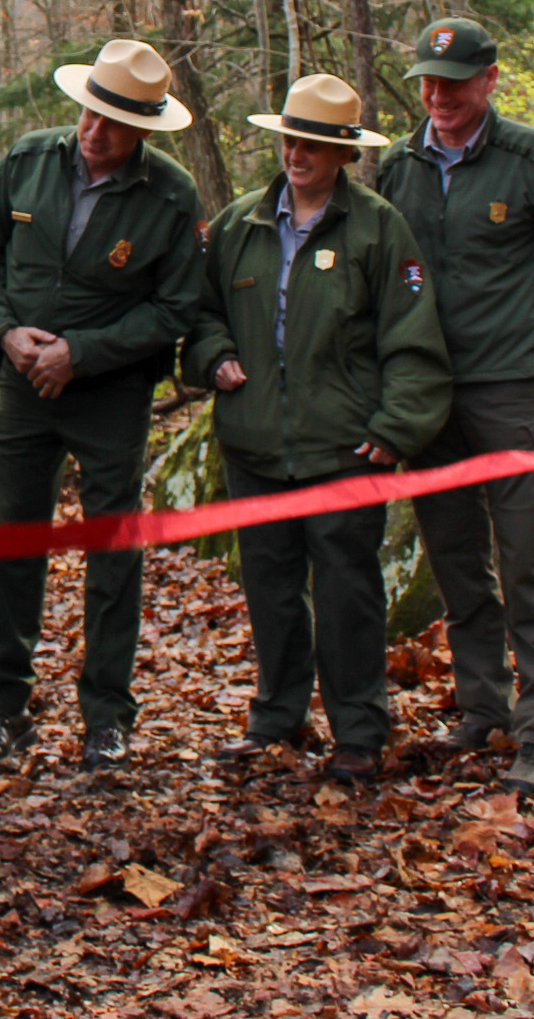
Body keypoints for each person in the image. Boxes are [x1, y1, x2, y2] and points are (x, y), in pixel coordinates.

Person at [181, 74, 450, 783]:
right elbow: (200, 316)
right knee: (270, 591)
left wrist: (396, 427)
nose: (298, 154)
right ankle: (278, 717)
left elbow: (413, 336)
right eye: (291, 139)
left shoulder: (377, 227)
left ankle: (359, 731)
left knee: (347, 594)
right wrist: (215, 360)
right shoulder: (239, 224)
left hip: (344, 450)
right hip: (256, 443)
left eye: (316, 143)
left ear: (343, 153)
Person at [375, 17, 534, 797]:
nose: (438, 96)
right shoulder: (399, 168)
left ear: (490, 80)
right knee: (457, 563)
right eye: (428, 82)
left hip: (512, 393)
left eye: (454, 82)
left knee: (531, 562)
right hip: (430, 398)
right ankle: (483, 708)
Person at [0, 39, 202, 774]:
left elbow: (176, 308)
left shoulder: (170, 196)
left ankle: (107, 715)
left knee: (112, 553)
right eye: (89, 113)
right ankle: (1, 710)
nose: (94, 132)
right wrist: (5, 334)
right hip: (22, 388)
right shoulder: (29, 160)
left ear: (145, 130)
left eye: (114, 123)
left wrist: (85, 353)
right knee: (12, 544)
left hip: (112, 397)